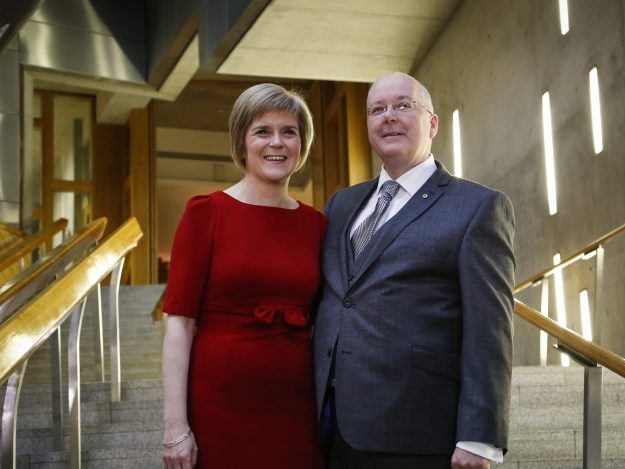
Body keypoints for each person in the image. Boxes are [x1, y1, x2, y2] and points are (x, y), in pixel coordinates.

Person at [313, 72, 515, 469]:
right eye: (377, 109)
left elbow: (490, 328)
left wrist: (480, 436)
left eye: (403, 105)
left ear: (433, 123)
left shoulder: (477, 207)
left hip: (417, 432)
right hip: (333, 428)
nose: (389, 116)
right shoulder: (341, 205)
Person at [161, 83, 327, 469]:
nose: (278, 143)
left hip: (296, 407)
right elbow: (179, 327)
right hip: (220, 406)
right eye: (262, 131)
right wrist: (175, 428)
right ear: (241, 143)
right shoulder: (207, 212)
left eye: (290, 132)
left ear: (302, 145)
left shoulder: (317, 225)